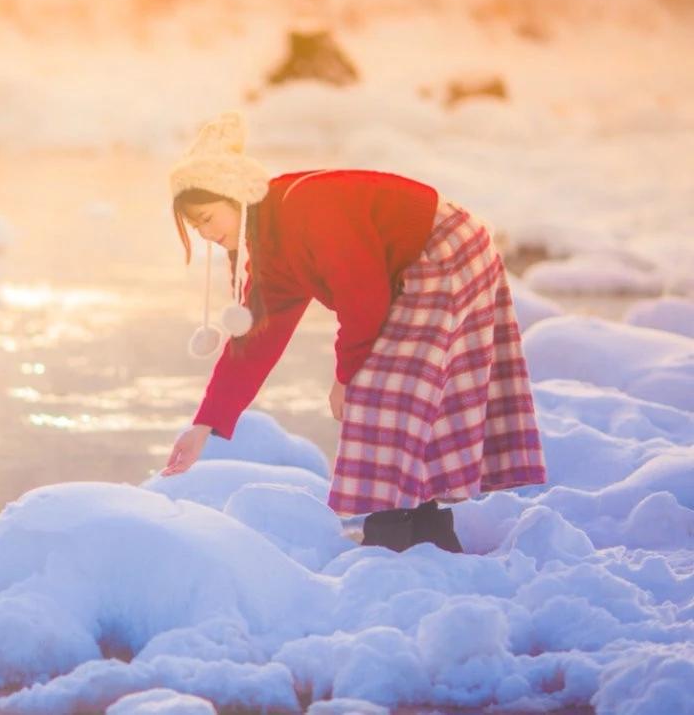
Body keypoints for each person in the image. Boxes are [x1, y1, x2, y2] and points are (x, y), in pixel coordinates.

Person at [160, 111, 547, 553]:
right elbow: (255, 341)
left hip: (445, 248)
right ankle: (425, 529)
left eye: (209, 218)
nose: (207, 235)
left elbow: (363, 298)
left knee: (379, 392)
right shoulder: (270, 248)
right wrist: (205, 425)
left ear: (237, 197)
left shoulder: (302, 209)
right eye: (197, 228)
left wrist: (345, 377)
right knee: (388, 392)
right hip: (418, 261)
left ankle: (393, 535)